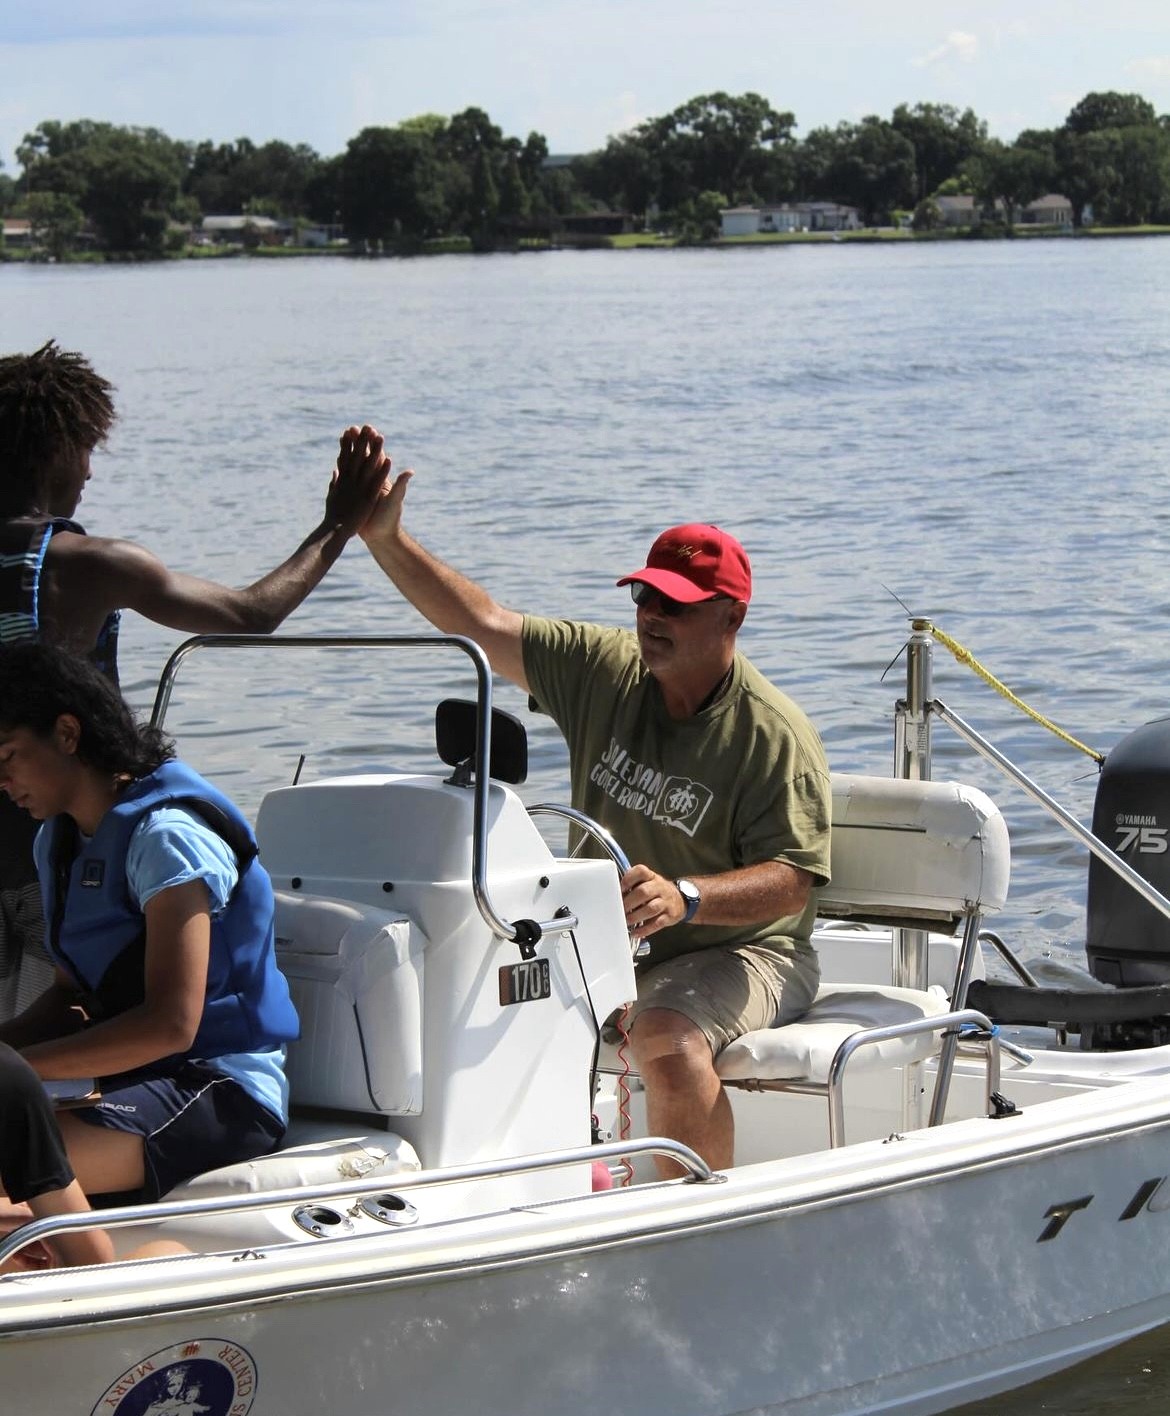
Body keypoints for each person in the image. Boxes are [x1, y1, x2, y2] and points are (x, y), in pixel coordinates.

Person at [354, 430, 832, 1172]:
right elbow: (478, 624)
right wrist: (383, 539)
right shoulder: (604, 671)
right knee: (451, 989)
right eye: (645, 595)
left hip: (748, 948)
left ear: (730, 619)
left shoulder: (773, 734)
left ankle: (692, 1227)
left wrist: (687, 897)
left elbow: (793, 880)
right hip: (606, 942)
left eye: (675, 604)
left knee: (666, 1035)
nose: (651, 615)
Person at [0, 341, 387, 1019]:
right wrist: (337, 524)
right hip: (47, 865)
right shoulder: (87, 566)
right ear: (59, 448)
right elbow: (252, 613)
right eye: (87, 450)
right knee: (47, 1056)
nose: (89, 471)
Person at [0, 642, 299, 1267]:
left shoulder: (169, 839)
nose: (3, 784)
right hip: (141, 1082)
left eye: (7, 758)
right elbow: (71, 998)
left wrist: (17, 1071)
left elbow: (172, 1024)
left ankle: (102, 1275)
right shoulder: (57, 841)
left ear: (67, 733)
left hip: (220, 1089)